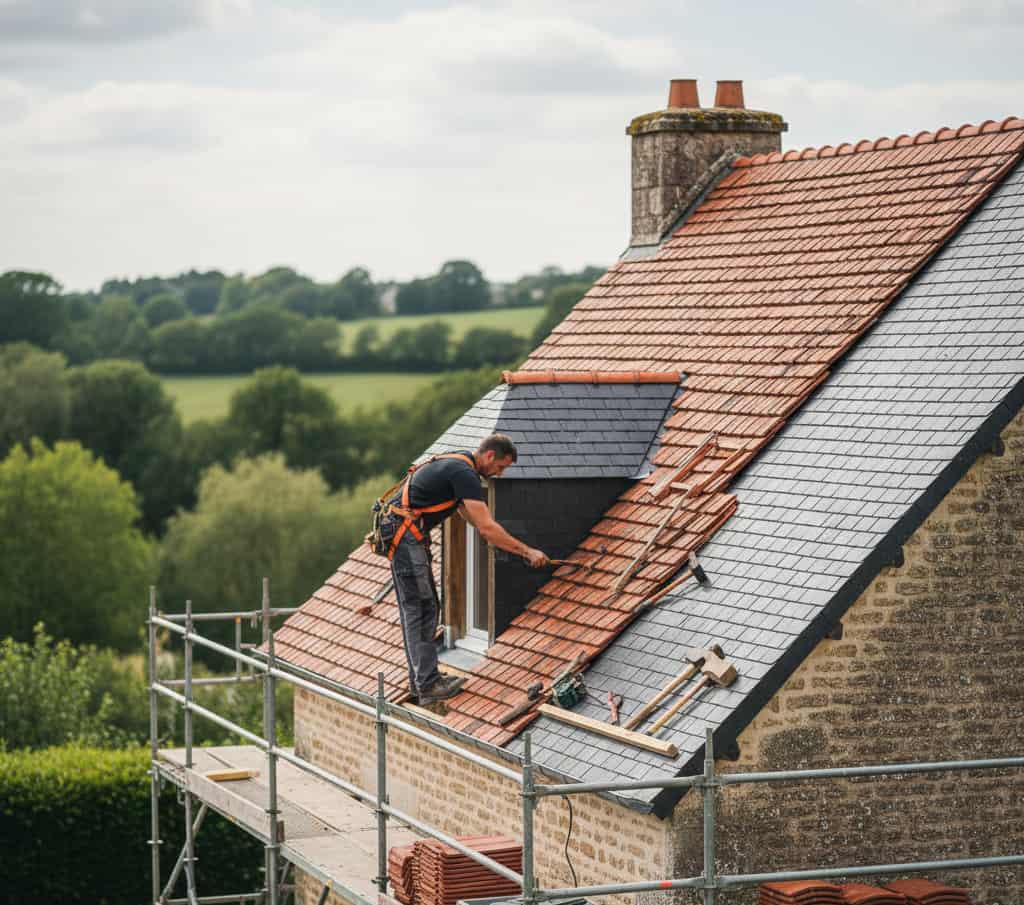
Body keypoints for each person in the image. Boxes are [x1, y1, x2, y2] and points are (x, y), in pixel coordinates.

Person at [380, 433, 549, 705]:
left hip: (403, 533)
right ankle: (427, 683)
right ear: (490, 455)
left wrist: (491, 537)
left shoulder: (459, 464)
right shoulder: (465, 474)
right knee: (421, 608)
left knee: (425, 607)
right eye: (501, 467)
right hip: (404, 536)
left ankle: (422, 680)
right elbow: (487, 526)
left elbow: (468, 516)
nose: (500, 474)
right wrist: (526, 551)